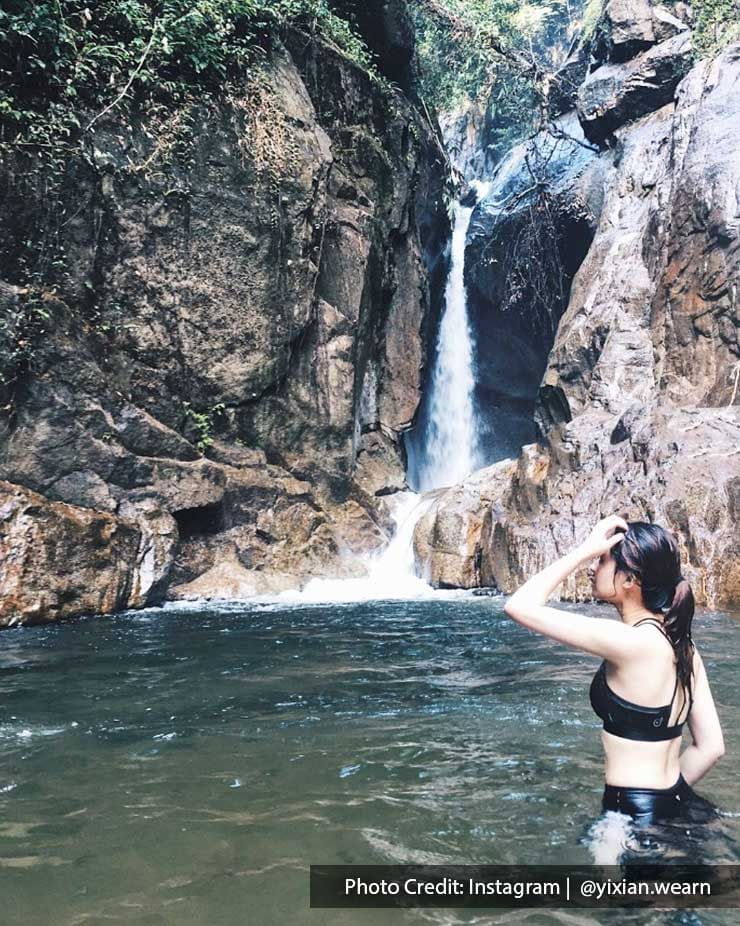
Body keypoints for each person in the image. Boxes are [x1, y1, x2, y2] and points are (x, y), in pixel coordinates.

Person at [503, 515, 725, 826]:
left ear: (630, 580)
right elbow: (711, 748)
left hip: (630, 818)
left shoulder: (628, 641)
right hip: (676, 803)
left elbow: (518, 606)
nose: (593, 567)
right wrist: (664, 802)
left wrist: (583, 549)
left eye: (602, 560)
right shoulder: (684, 647)